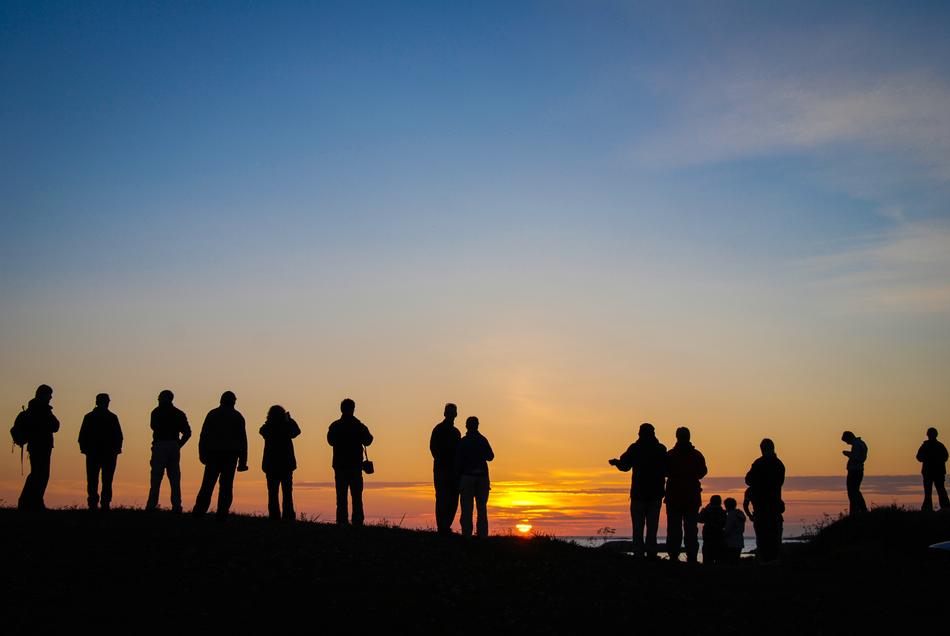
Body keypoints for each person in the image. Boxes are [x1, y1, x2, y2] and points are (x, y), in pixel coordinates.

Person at [609, 423, 668, 559]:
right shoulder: (660, 449)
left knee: (638, 527)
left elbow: (624, 466)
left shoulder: (635, 448)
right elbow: (667, 470)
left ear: (640, 434)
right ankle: (651, 553)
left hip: (639, 494)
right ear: (653, 434)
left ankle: (638, 554)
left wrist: (616, 463)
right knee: (652, 527)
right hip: (655, 494)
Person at [192, 391, 248, 520]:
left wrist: (202, 453)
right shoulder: (238, 416)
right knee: (226, 486)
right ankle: (222, 514)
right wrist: (242, 462)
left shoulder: (213, 414)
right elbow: (243, 441)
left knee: (207, 485)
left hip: (213, 455)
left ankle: (199, 512)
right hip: (230, 456)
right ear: (234, 401)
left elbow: (203, 435)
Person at [327, 398, 373, 526]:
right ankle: (357, 522)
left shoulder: (335, 425)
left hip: (340, 466)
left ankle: (342, 522)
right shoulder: (358, 425)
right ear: (353, 409)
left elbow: (330, 441)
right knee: (357, 497)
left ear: (341, 409)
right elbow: (369, 440)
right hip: (354, 466)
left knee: (341, 498)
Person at [664, 426, 708, 563]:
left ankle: (673, 556)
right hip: (691, 498)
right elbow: (702, 472)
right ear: (689, 437)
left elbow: (664, 472)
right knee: (690, 530)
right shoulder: (696, 455)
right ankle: (692, 557)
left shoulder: (670, 455)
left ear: (677, 437)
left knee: (674, 529)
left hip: (674, 497)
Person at [145, 390, 191, 513]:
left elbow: (153, 426)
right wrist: (178, 445)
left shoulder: (156, 412)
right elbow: (187, 432)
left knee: (156, 477)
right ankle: (176, 506)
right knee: (174, 478)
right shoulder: (178, 413)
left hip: (160, 445)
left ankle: (151, 505)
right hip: (173, 446)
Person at [15, 385, 60, 511]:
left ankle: (30, 502)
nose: (50, 397)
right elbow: (55, 425)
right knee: (41, 474)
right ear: (43, 395)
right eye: (49, 394)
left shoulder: (33, 408)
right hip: (41, 446)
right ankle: (32, 502)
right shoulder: (42, 409)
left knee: (37, 474)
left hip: (35, 446)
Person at [78, 393, 123, 511]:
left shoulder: (89, 417)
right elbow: (119, 436)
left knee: (93, 479)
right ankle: (105, 503)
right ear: (107, 402)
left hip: (93, 453)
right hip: (108, 454)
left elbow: (82, 436)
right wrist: (116, 450)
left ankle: (93, 503)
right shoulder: (112, 417)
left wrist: (85, 449)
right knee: (107, 480)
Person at [744, 438, 785, 564]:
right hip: (774, 507)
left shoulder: (759, 463)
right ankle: (773, 563)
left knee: (762, 540)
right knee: (774, 540)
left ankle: (764, 564)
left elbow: (748, 480)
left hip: (762, 509)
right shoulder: (779, 464)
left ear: (762, 449)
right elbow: (780, 483)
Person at [260, 405, 301, 520]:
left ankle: (274, 517)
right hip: (286, 465)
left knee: (272, 493)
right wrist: (289, 420)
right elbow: (296, 431)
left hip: (271, 465)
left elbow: (262, 430)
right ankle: (288, 517)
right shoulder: (286, 427)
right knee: (287, 493)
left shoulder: (268, 428)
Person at [456, 416, 494, 538]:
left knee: (467, 509)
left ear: (466, 426)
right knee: (481, 509)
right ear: (477, 425)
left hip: (467, 478)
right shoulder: (482, 440)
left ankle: (467, 535)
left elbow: (457, 460)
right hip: (481, 478)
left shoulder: (463, 442)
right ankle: (482, 536)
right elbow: (490, 456)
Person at [430, 403, 462, 535]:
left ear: (455, 415)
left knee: (452, 498)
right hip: (442, 469)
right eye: (449, 412)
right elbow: (433, 449)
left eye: (452, 413)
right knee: (443, 498)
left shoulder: (456, 432)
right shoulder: (439, 429)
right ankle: (442, 527)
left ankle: (445, 526)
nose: (450, 415)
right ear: (445, 414)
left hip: (452, 470)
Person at [917, 427, 950, 511]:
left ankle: (945, 508)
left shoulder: (938, 446)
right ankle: (929, 508)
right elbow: (919, 457)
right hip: (930, 472)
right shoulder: (929, 446)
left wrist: (933, 460)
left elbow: (945, 457)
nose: (930, 436)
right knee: (931, 491)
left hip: (936, 472)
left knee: (940, 490)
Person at [841, 431, 868, 515]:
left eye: (846, 441)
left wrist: (848, 454)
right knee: (855, 491)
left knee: (852, 492)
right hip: (858, 470)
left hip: (854, 471)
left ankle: (856, 512)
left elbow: (857, 458)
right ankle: (861, 510)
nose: (847, 443)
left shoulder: (857, 445)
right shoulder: (861, 443)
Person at [697, 495, 726, 565]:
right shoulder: (722, 512)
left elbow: (699, 519)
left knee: (707, 556)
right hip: (719, 535)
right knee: (719, 556)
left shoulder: (707, 510)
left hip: (708, 534)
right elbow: (725, 523)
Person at [722, 497, 746, 564]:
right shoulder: (740, 514)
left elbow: (728, 529)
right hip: (739, 541)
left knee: (730, 561)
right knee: (736, 560)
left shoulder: (731, 515)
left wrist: (722, 535)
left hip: (730, 542)